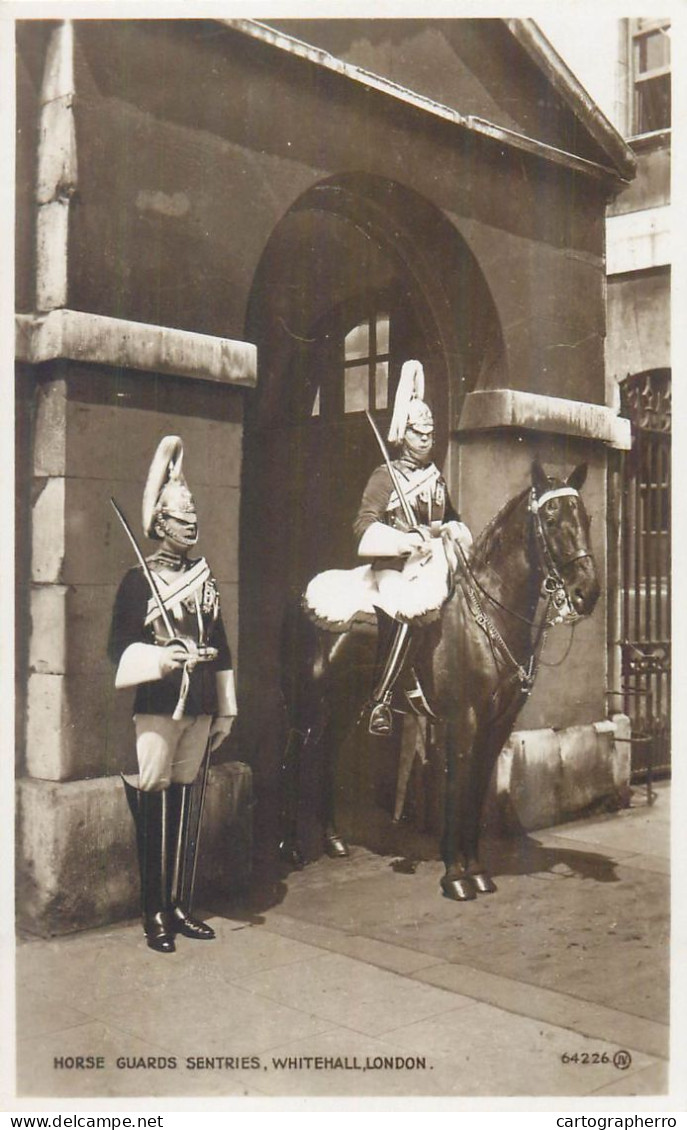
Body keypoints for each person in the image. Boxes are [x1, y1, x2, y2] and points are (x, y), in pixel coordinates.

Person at [108, 436, 237, 953]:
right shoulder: (137, 582)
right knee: (155, 799)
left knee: (189, 800)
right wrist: (161, 659)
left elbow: (221, 644)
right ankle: (154, 912)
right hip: (160, 704)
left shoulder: (204, 579)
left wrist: (225, 707)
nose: (192, 523)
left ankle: (181, 904)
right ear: (160, 523)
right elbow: (117, 648)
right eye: (182, 517)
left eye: (194, 514)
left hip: (201, 701)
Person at [354, 360, 472, 736]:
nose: (426, 440)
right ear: (403, 434)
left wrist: (452, 528)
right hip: (392, 566)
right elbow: (363, 525)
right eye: (419, 433)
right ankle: (383, 698)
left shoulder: (435, 478)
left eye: (430, 433)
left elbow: (450, 516)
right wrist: (404, 541)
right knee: (408, 609)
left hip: (432, 562)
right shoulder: (384, 476)